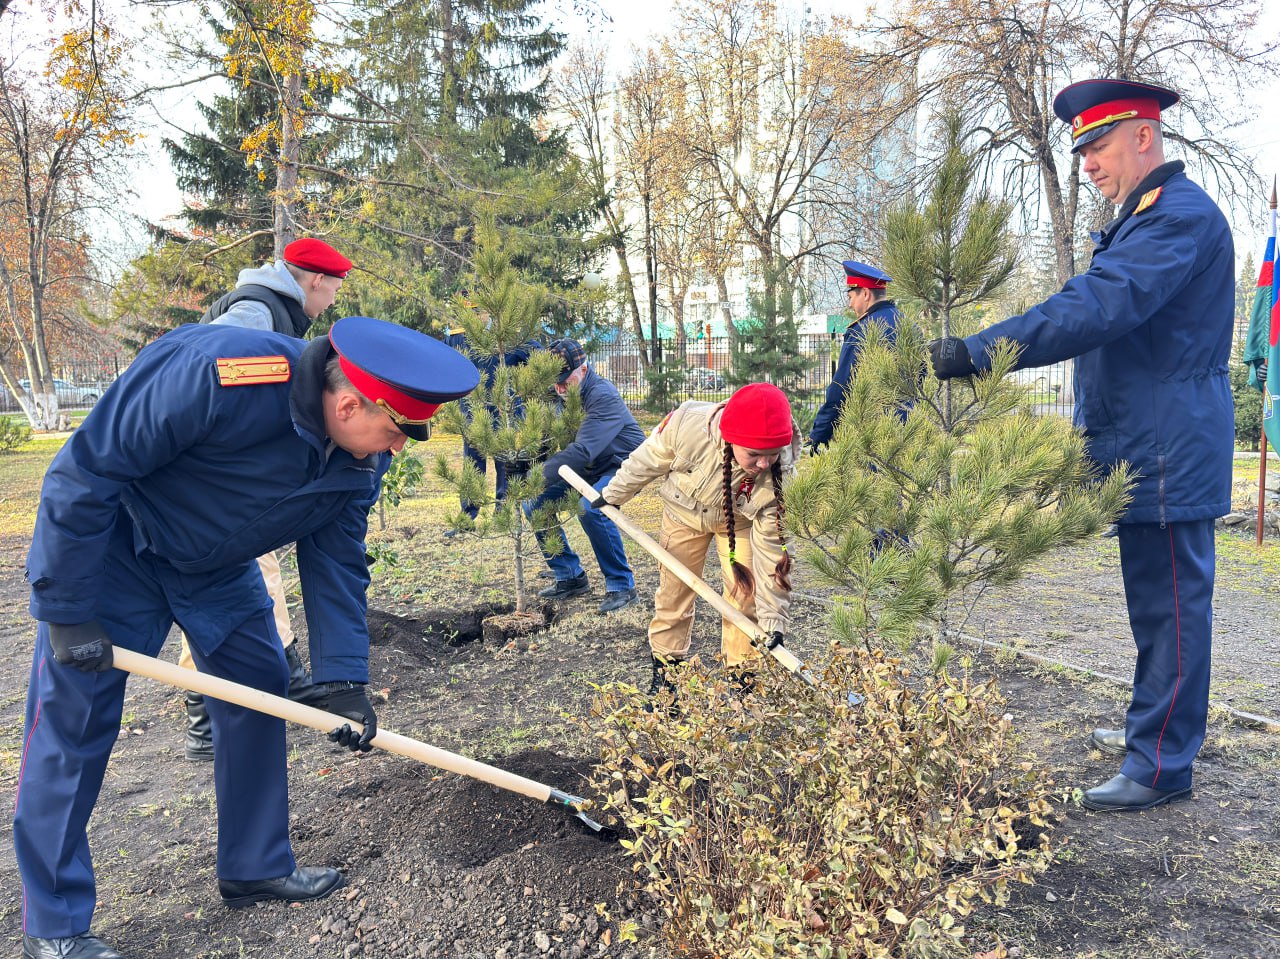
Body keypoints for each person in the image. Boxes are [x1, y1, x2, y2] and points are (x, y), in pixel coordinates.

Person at [15, 315, 479, 959]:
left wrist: (344, 680)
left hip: (216, 567)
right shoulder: (218, 374)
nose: (397, 448)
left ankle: (254, 866)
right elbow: (84, 472)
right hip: (118, 549)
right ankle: (55, 924)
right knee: (76, 719)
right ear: (349, 405)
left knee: (259, 686)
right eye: (397, 431)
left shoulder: (359, 459)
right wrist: (66, 607)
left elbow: (337, 561)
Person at [927, 78, 1234, 812]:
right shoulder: (1143, 219)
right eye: (1082, 151)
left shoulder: (1177, 219)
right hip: (1146, 443)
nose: (1088, 164)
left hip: (1168, 449)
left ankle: (1161, 764)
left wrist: (981, 349)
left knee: (1172, 609)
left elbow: (1097, 306)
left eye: (1098, 146)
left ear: (1143, 136)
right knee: (1153, 606)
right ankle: (1151, 730)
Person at [179, 237, 356, 761]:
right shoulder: (256, 311)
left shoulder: (273, 307)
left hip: (227, 475)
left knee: (253, 573)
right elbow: (211, 379)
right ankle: (207, 716)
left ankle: (276, 679)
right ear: (316, 280)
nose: (333, 300)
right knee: (232, 581)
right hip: (210, 477)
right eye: (334, 289)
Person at [596, 382, 800, 698]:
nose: (763, 464)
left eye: (770, 455)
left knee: (745, 597)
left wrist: (773, 622)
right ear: (731, 439)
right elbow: (647, 459)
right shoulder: (687, 424)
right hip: (683, 515)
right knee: (673, 596)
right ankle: (667, 682)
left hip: (739, 525)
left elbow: (774, 553)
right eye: (754, 455)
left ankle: (743, 682)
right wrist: (613, 494)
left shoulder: (779, 477)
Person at [527, 338, 644, 614]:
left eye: (564, 381)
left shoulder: (602, 395)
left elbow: (582, 451)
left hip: (623, 465)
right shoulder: (560, 394)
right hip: (588, 466)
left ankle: (622, 586)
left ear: (583, 369)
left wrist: (538, 475)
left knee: (592, 508)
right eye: (554, 382)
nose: (559, 388)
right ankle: (569, 576)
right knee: (534, 502)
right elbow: (547, 439)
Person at [444, 321, 540, 532]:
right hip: (472, 413)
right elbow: (443, 361)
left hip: (505, 413)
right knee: (472, 466)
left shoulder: (510, 331)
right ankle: (467, 516)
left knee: (505, 466)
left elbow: (540, 360)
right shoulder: (459, 335)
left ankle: (503, 516)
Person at [808, 261, 905, 450]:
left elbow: (842, 385)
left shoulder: (862, 330)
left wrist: (821, 432)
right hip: (912, 429)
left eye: (851, 296)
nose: (850, 304)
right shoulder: (909, 326)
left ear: (866, 294)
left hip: (875, 430)